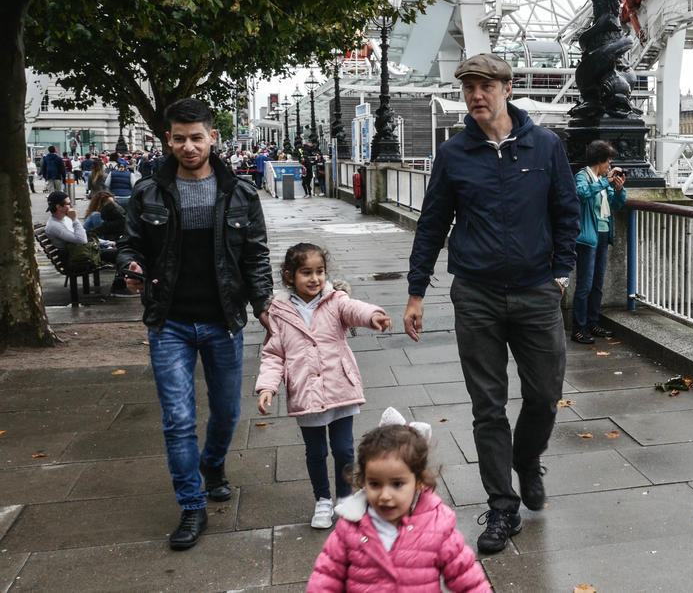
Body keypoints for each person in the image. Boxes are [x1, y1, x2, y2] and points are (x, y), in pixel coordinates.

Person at [404, 52, 579, 555]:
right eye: (468, 87)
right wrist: (417, 292)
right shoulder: (454, 154)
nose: (476, 95)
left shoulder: (545, 146)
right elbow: (433, 224)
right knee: (488, 407)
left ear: (507, 88)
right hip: (477, 293)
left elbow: (565, 211)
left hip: (537, 292)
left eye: (486, 86)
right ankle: (503, 506)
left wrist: (560, 274)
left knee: (545, 395)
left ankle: (526, 460)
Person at [117, 97, 273, 551]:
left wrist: (263, 304)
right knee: (179, 419)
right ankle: (191, 504)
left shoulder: (241, 193)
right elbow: (131, 246)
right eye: (180, 139)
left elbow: (255, 256)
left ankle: (214, 464)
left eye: (197, 138)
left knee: (226, 413)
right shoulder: (148, 192)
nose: (188, 147)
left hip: (224, 320)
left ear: (212, 138)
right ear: (168, 139)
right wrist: (131, 268)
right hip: (170, 323)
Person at [254, 243, 392, 529]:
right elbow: (274, 354)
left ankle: (344, 496)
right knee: (315, 452)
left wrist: (373, 316)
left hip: (339, 386)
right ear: (290, 277)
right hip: (306, 393)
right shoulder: (279, 312)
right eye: (307, 273)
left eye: (319, 271)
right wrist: (267, 387)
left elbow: (355, 310)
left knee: (343, 449)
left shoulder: (335, 300)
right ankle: (322, 500)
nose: (315, 279)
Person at [308, 408, 489, 593]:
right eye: (375, 484)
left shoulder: (437, 525)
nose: (385, 495)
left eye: (397, 484)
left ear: (418, 481)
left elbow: (466, 577)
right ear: (363, 481)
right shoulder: (351, 525)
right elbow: (326, 577)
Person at [571, 139, 626, 344]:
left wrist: (619, 189)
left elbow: (616, 204)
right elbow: (581, 194)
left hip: (603, 234)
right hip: (588, 236)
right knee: (584, 284)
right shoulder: (583, 176)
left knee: (597, 283)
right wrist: (605, 182)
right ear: (599, 161)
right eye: (608, 162)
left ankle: (593, 322)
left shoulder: (604, 180)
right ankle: (579, 327)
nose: (610, 166)